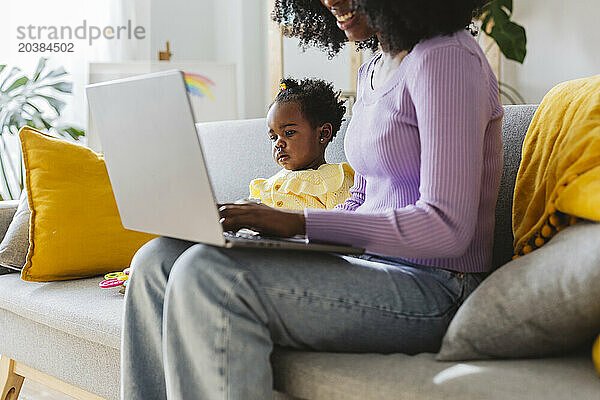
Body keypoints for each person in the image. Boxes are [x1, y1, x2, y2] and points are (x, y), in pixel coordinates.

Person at [121, 0, 503, 399]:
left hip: (436, 286)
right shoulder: (373, 64)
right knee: (156, 260)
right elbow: (361, 197)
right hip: (367, 263)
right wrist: (271, 232)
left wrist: (300, 222)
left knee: (210, 275)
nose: (332, 1)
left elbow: (448, 229)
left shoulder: (447, 57)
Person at [249, 77, 354, 210]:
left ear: (323, 134)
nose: (278, 144)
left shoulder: (336, 179)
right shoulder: (270, 183)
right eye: (273, 137)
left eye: (289, 133)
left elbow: (344, 222)